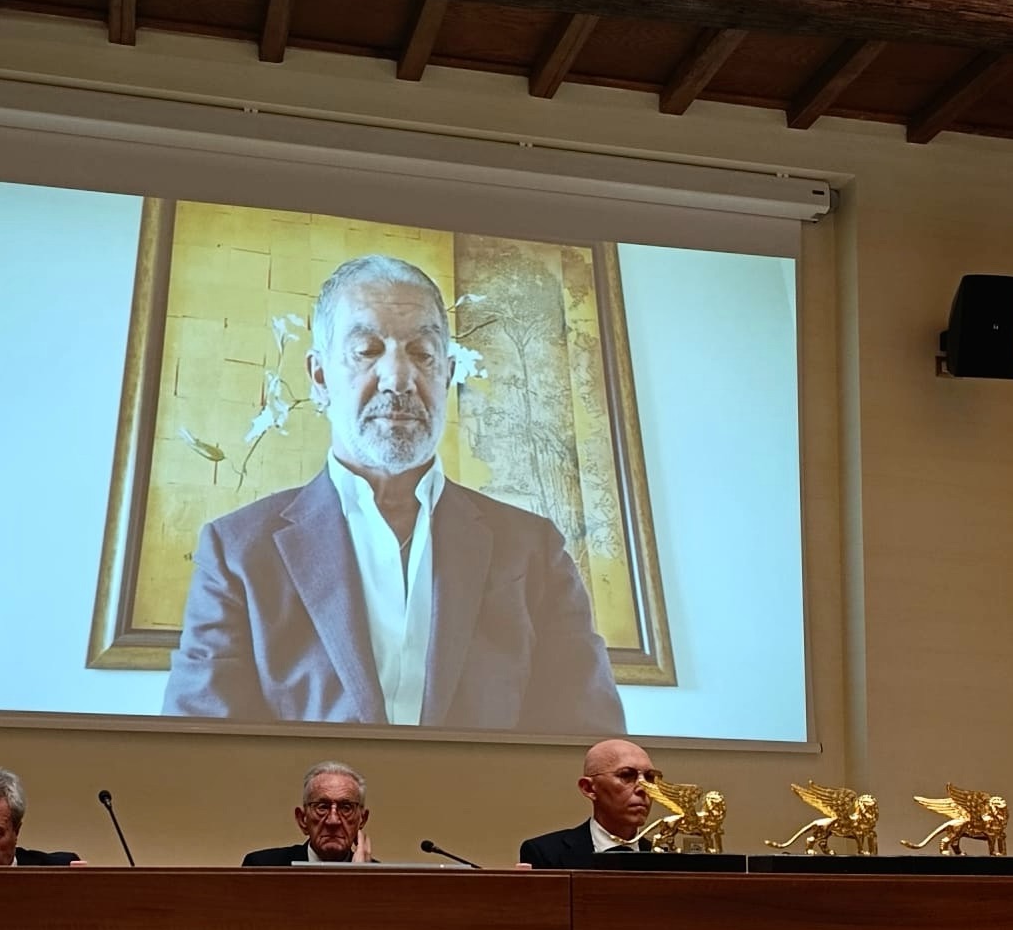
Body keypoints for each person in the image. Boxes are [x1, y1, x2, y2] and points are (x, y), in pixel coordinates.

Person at [162, 253, 626, 734]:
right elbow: (201, 754)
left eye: (422, 354)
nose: (399, 378)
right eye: (366, 350)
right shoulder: (238, 551)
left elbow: (590, 745)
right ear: (319, 377)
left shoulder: (533, 549)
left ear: (446, 375)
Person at [518, 739, 659, 866]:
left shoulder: (664, 858)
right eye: (626, 775)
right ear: (589, 788)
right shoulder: (546, 854)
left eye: (650, 778)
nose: (643, 788)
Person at [242, 761, 374, 865]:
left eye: (346, 808)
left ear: (362, 819)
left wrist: (359, 879)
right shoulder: (263, 866)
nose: (333, 820)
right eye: (322, 807)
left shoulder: (383, 879)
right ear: (302, 819)